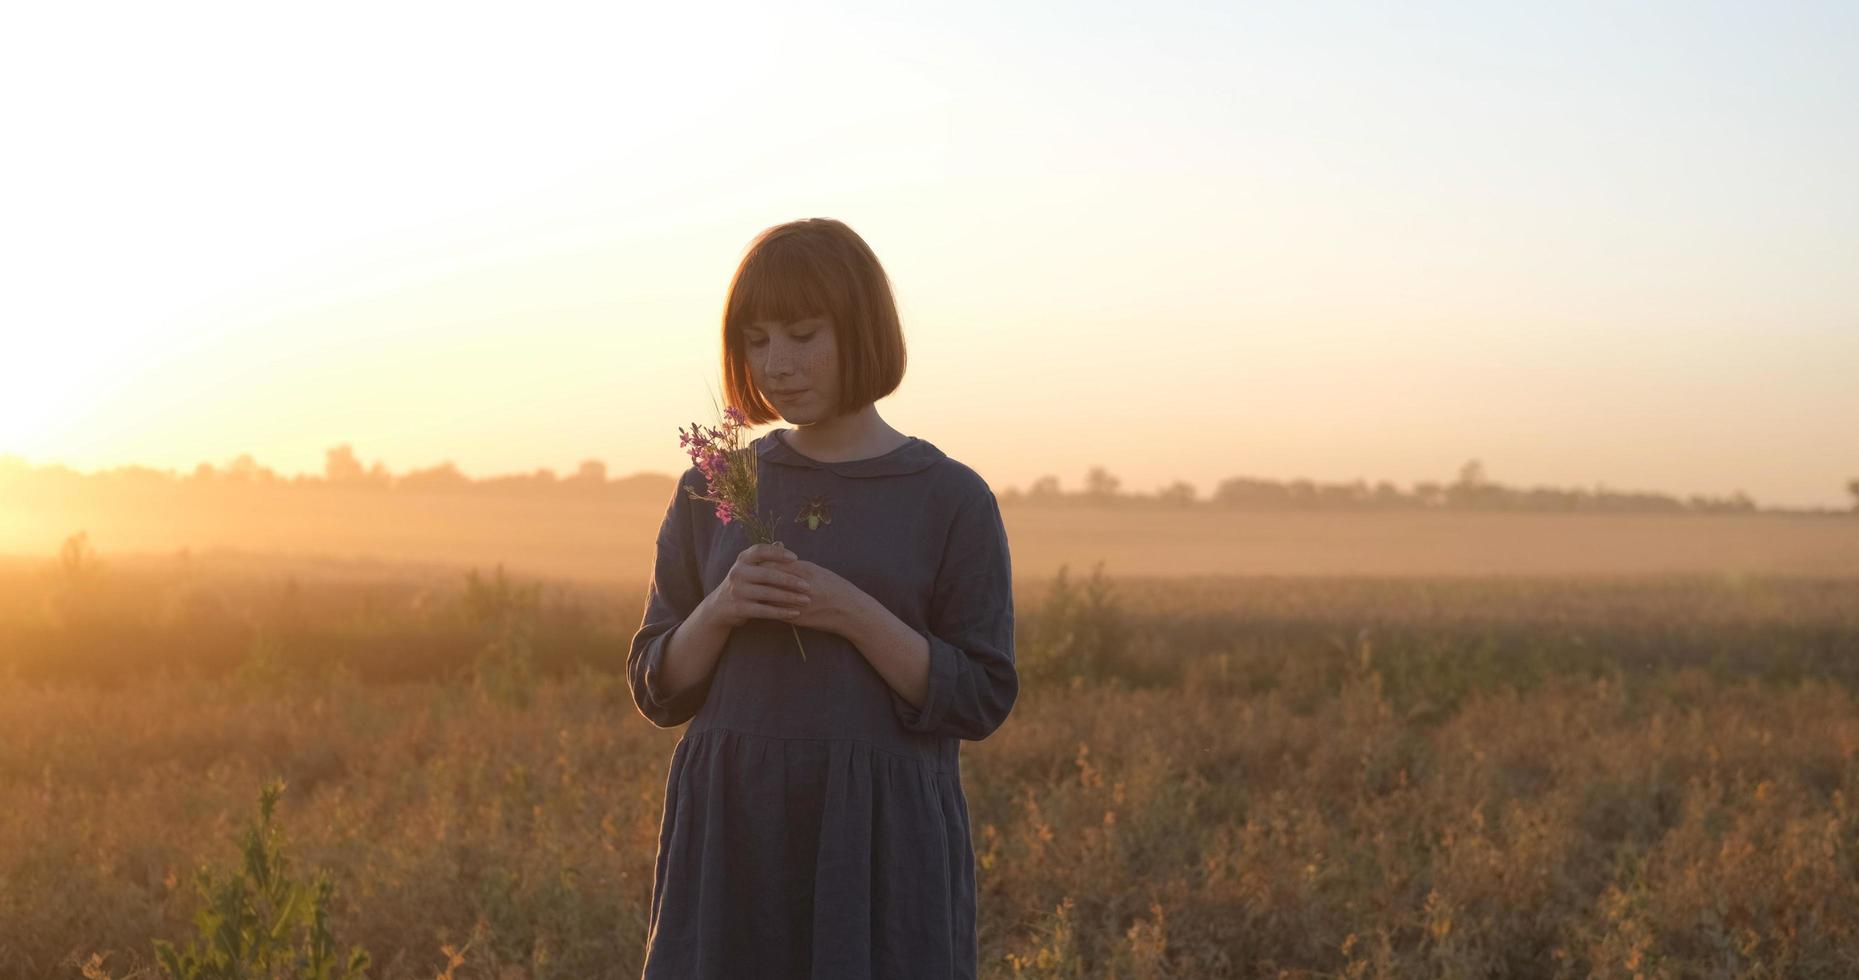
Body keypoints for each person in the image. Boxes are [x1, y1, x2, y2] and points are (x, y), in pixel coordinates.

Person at [628, 218, 1018, 979]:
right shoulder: (714, 486)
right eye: (757, 338)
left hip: (878, 835)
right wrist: (722, 607)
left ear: (862, 331)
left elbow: (979, 697)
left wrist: (856, 615)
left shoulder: (949, 498)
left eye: (803, 334)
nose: (777, 363)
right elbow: (655, 684)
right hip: (733, 826)